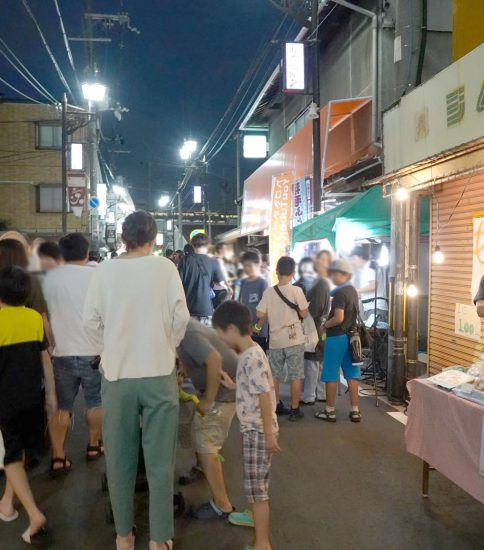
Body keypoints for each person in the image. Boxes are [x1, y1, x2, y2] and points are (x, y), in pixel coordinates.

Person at [83, 210, 190, 550]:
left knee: (119, 459)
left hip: (117, 376)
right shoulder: (165, 268)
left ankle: (124, 536)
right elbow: (181, 316)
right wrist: (168, 345)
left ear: (123, 238)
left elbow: (90, 322)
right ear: (153, 238)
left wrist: (108, 348)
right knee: (160, 461)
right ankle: (159, 539)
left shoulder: (105, 270)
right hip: (159, 374)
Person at [213, 301, 280, 550]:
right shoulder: (250, 352)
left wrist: (268, 434)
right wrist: (233, 385)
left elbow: (264, 394)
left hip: (258, 432)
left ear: (231, 329)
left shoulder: (251, 357)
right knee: (256, 482)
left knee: (258, 491)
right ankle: (253, 517)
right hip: (255, 430)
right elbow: (254, 387)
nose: (220, 340)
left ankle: (262, 544)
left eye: (220, 334)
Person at [0, 266, 57, 545]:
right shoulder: (34, 317)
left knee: (10, 458)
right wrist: (52, 397)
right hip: (32, 398)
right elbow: (45, 358)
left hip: (5, 402)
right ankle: (7, 502)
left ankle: (34, 514)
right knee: (18, 451)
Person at [42, 233, 103, 474]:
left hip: (62, 351)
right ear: (86, 253)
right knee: (95, 402)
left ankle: (58, 457)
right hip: (94, 351)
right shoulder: (98, 277)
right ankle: (93, 446)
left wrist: (50, 343)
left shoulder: (49, 279)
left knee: (62, 406)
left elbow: (43, 315)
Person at [177, 319, 238, 519]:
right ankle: (201, 466)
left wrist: (208, 400)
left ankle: (222, 505)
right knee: (200, 432)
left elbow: (214, 359)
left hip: (221, 396)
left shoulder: (188, 332)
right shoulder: (187, 329)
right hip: (222, 392)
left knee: (207, 444)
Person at [256, 256, 308, 422]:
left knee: (275, 376)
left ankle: (276, 405)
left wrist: (259, 325)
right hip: (294, 340)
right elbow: (304, 314)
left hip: (276, 340)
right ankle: (294, 409)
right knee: (295, 375)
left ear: (277, 272)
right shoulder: (297, 291)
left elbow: (259, 314)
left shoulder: (269, 293)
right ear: (293, 273)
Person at [315, 259, 362, 423]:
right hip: (351, 338)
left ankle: (329, 411)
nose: (333, 276)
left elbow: (338, 317)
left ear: (346, 275)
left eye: (336, 273)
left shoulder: (340, 293)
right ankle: (355, 410)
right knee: (351, 374)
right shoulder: (352, 291)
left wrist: (324, 325)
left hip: (336, 337)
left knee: (330, 374)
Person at [300, 255, 331, 405]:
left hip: (315, 326)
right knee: (319, 360)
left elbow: (316, 308)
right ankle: (321, 393)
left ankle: (309, 396)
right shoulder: (323, 283)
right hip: (322, 327)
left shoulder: (320, 284)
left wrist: (304, 312)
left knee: (312, 361)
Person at [178, 233, 228, 325]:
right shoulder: (214, 261)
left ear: (192, 245)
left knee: (190, 338)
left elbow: (178, 284)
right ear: (208, 245)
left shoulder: (185, 260)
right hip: (206, 309)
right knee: (205, 338)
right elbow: (221, 283)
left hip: (188, 309)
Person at [239, 250, 269, 351]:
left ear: (257, 264)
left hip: (259, 332)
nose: (246, 268)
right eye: (244, 266)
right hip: (246, 330)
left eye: (249, 265)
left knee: (260, 360)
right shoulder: (243, 282)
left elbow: (267, 309)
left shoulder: (262, 283)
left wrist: (257, 327)